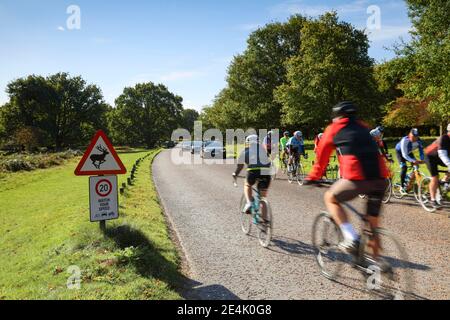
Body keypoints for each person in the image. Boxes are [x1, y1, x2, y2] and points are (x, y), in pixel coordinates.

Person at [305, 101, 389, 258]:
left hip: (357, 178)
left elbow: (321, 158)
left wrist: (313, 177)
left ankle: (351, 238)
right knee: (372, 224)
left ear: (337, 116)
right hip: (380, 178)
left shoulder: (334, 128)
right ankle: (377, 264)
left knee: (330, 197)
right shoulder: (364, 127)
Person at [232, 135, 272, 217]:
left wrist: (235, 174)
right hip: (266, 172)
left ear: (247, 143)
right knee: (263, 198)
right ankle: (265, 222)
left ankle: (249, 203)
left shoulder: (245, 151)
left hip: (253, 172)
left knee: (247, 184)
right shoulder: (263, 150)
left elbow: (240, 166)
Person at [424, 124, 450, 208]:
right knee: (435, 177)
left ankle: (443, 182)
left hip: (439, 157)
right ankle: (433, 200)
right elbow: (443, 155)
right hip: (430, 156)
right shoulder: (444, 139)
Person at [395, 128, 425, 194]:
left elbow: (421, 152)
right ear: (409, 135)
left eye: (416, 137)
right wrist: (413, 161)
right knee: (404, 168)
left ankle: (410, 182)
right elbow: (404, 155)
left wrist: (422, 159)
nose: (414, 138)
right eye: (412, 136)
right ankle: (402, 187)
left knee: (416, 167)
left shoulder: (419, 141)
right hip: (400, 153)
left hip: (409, 152)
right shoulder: (404, 140)